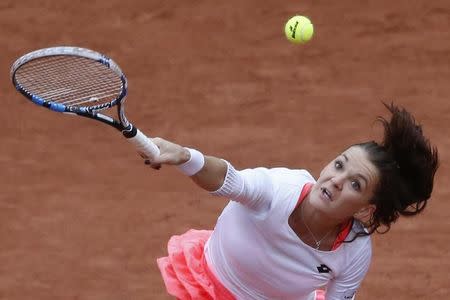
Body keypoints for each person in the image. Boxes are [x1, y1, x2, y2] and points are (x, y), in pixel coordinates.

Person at [149, 103, 439, 300]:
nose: (336, 180)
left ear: (365, 208)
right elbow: (230, 180)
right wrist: (187, 157)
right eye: (339, 165)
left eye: (355, 184)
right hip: (209, 284)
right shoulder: (281, 188)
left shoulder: (355, 250)